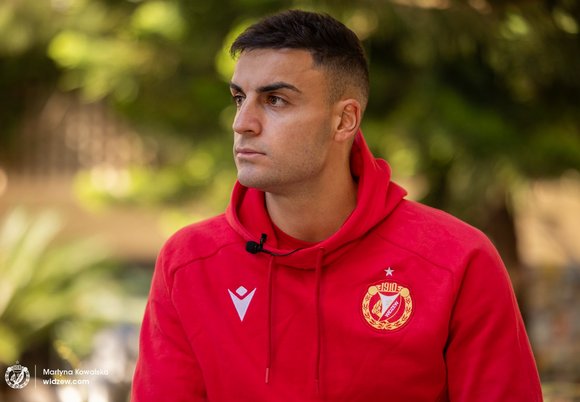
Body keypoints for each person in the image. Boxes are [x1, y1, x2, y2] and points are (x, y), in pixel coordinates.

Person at [131, 9, 543, 402]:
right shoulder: (189, 262)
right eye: (240, 98)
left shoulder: (457, 260)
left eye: (275, 100)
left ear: (344, 120)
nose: (242, 123)